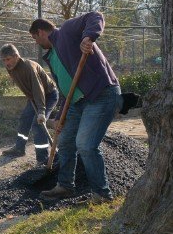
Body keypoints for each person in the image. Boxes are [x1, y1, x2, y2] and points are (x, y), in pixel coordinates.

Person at [29, 13, 140, 202]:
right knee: (65, 141)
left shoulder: (66, 31)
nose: (37, 43)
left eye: (35, 38)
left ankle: (101, 193)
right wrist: (59, 116)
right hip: (76, 102)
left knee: (85, 145)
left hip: (100, 94)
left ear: (40, 32)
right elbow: (66, 90)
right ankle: (65, 186)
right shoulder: (52, 56)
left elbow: (95, 16)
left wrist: (88, 37)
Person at [0, 44, 59, 166]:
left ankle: (42, 159)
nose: (6, 63)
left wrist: (41, 111)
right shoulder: (11, 67)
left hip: (48, 95)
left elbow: (39, 89)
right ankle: (19, 148)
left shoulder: (28, 67)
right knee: (25, 118)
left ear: (16, 56)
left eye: (8, 59)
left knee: (38, 125)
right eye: (4, 60)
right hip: (33, 97)